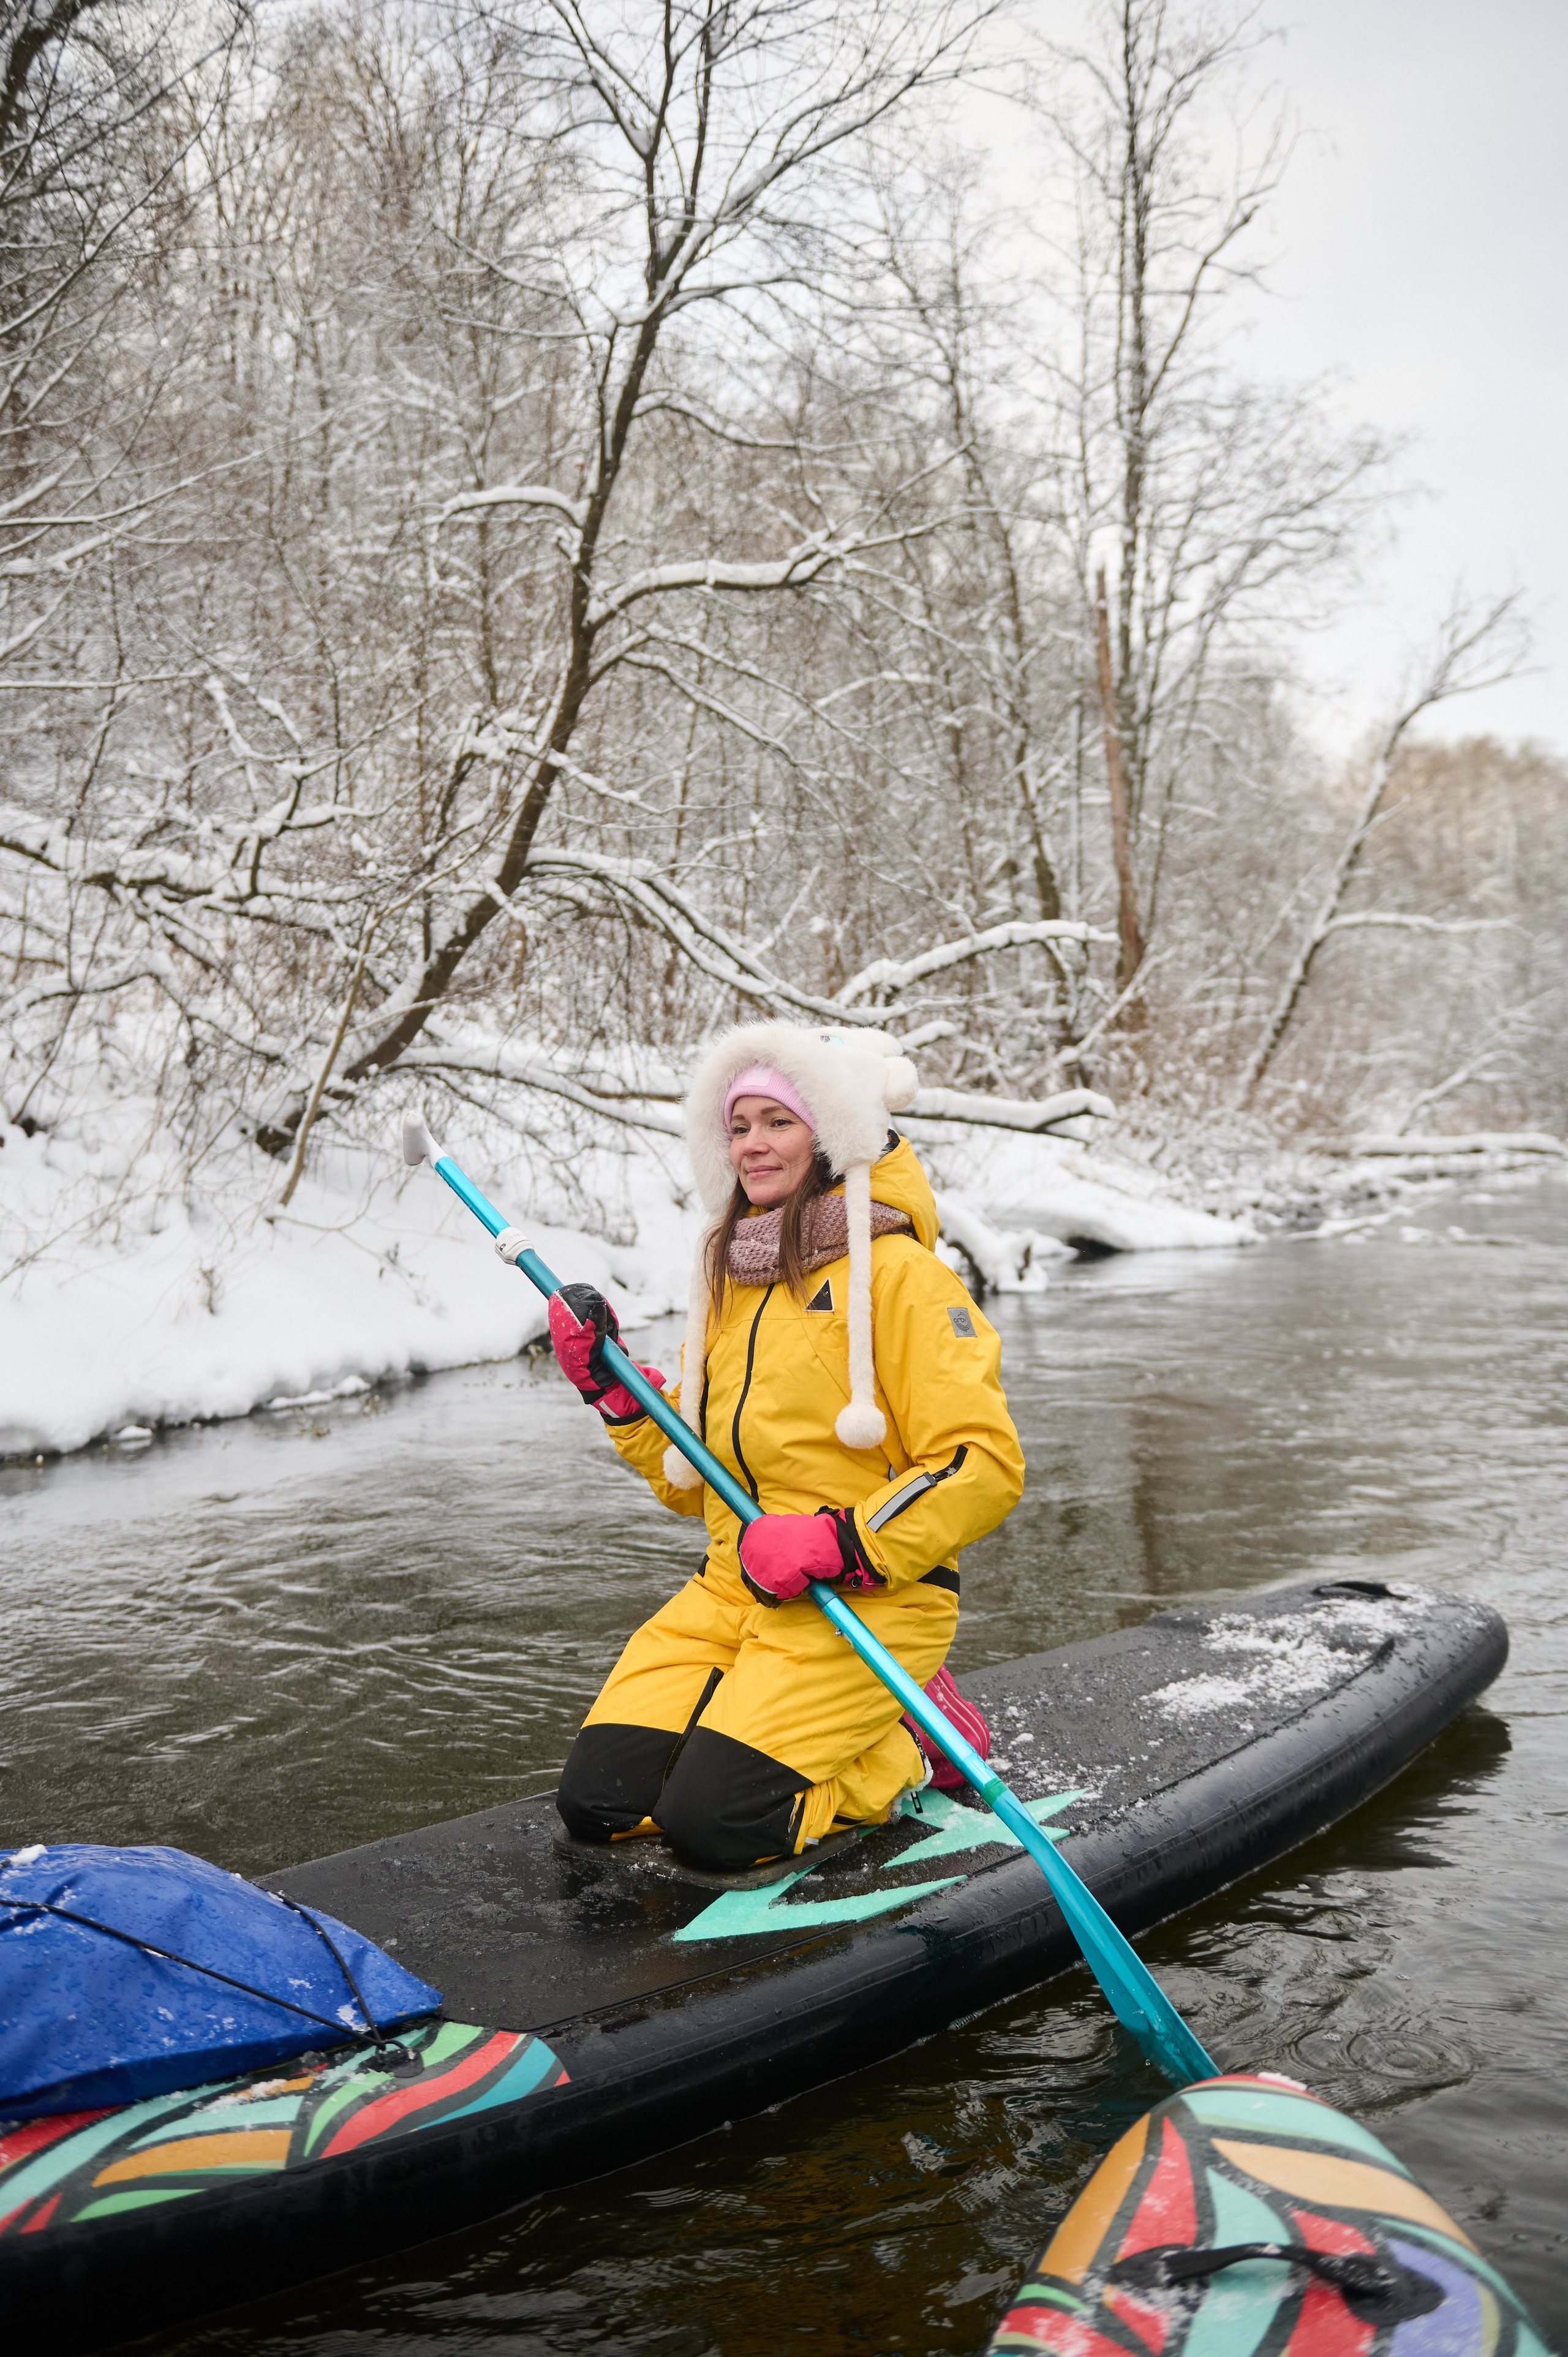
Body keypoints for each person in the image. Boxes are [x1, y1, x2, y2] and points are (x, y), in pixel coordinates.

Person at [548, 1023, 1025, 1875]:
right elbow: (695, 1486)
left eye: (779, 1121)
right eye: (739, 1126)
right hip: (731, 1592)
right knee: (602, 1807)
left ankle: (915, 1742)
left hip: (867, 1601)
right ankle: (831, 1729)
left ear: (830, 1134)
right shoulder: (730, 1277)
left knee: (717, 1825)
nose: (754, 1145)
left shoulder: (903, 1277)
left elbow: (982, 1466)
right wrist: (619, 1398)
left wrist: (838, 1541)